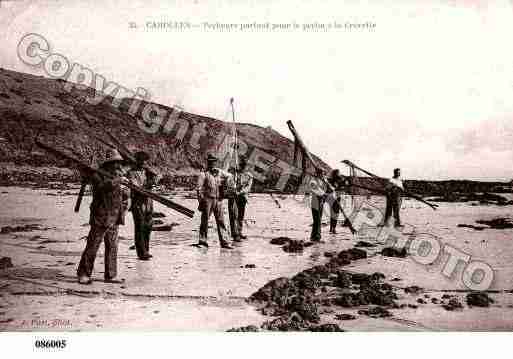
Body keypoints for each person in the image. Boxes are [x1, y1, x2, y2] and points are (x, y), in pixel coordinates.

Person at [77, 149, 129, 285]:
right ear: (108, 163)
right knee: (93, 245)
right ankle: (83, 273)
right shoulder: (97, 175)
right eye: (115, 163)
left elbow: (124, 196)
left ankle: (111, 275)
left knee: (112, 246)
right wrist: (117, 181)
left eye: (119, 163)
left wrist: (126, 190)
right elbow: (101, 188)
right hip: (101, 216)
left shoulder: (118, 174)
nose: (118, 166)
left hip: (115, 216)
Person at [196, 154, 234, 249]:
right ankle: (202, 241)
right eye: (210, 162)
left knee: (221, 221)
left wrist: (227, 183)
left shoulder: (220, 172)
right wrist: (201, 201)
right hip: (208, 199)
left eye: (214, 162)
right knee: (204, 221)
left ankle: (224, 242)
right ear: (208, 163)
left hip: (218, 199)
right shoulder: (203, 174)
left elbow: (230, 176)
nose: (212, 164)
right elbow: (198, 189)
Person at [127, 151, 157, 260]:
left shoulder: (147, 172)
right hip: (138, 203)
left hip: (149, 202)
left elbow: (155, 179)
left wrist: (153, 177)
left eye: (146, 162)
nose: (145, 163)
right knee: (139, 227)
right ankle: (141, 252)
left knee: (148, 226)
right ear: (138, 161)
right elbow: (137, 188)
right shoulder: (131, 173)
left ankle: (146, 249)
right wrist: (150, 183)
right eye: (143, 161)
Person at [228, 156, 253, 240]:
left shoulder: (249, 176)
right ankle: (234, 234)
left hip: (243, 197)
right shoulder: (234, 174)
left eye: (245, 165)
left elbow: (248, 187)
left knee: (241, 216)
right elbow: (230, 183)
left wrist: (240, 191)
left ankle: (239, 231)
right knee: (234, 215)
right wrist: (234, 188)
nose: (243, 166)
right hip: (234, 196)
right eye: (242, 165)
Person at [309, 167, 329, 242]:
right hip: (315, 201)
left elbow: (327, 189)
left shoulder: (323, 181)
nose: (322, 175)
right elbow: (315, 190)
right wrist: (324, 194)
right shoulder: (313, 181)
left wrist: (327, 185)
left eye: (323, 174)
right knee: (317, 220)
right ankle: (316, 237)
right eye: (321, 173)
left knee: (319, 220)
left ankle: (315, 236)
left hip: (321, 202)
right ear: (318, 174)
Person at [326, 169, 343, 234]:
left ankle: (332, 228)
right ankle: (332, 228)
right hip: (333, 199)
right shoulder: (331, 180)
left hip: (336, 198)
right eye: (338, 173)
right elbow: (329, 189)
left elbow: (341, 188)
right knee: (334, 214)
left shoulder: (337, 180)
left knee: (334, 214)